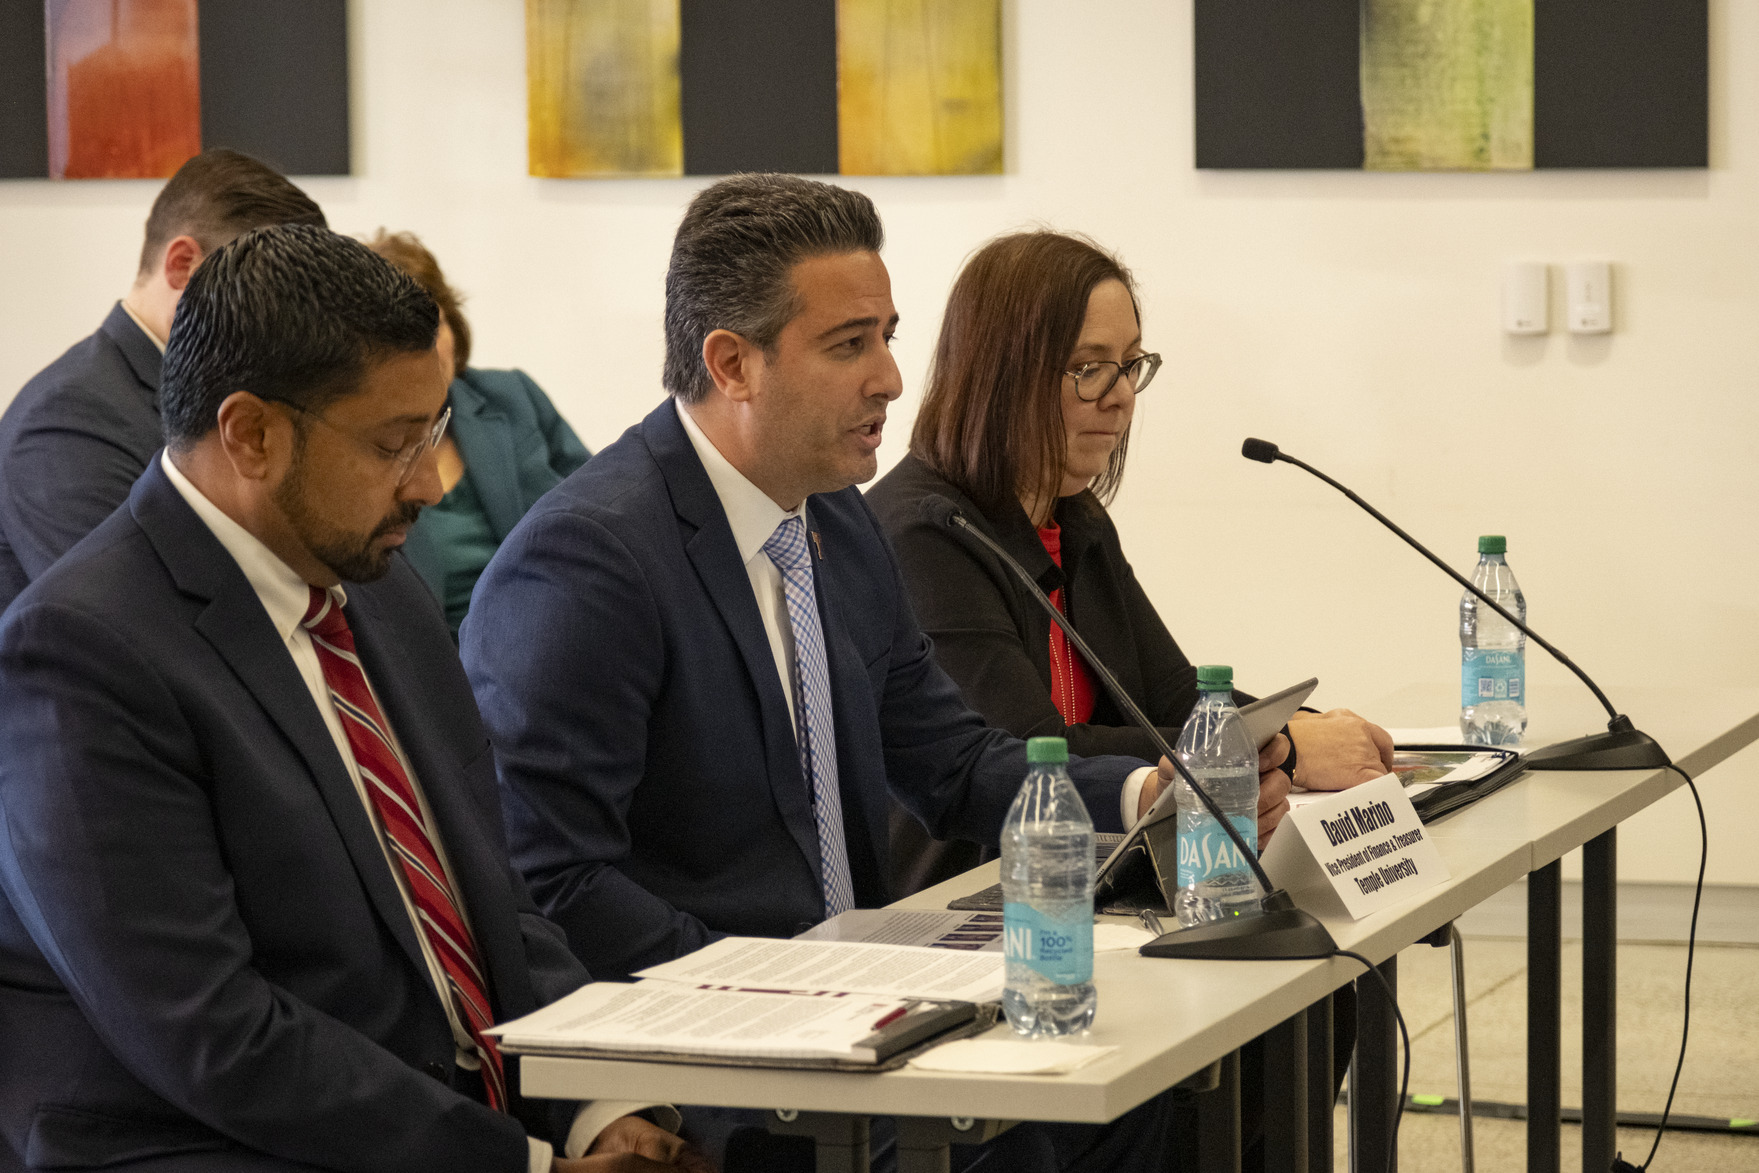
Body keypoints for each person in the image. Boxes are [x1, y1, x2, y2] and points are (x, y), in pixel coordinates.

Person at [463, 174, 1227, 1173]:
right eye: (848, 345)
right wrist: (782, 984)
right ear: (731, 363)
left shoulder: (834, 518)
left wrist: (1143, 786)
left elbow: (946, 759)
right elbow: (550, 878)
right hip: (721, 1050)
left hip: (855, 1003)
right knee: (1054, 1126)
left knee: (1140, 1079)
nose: (892, 380)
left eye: (888, 335)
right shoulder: (593, 560)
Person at [0, 225, 705, 1173]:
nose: (427, 485)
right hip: (217, 1142)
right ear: (250, 434)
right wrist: (529, 1166)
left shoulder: (374, 585)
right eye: (392, 444)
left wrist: (601, 1106)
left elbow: (486, 905)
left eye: (435, 433)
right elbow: (215, 1036)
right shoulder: (82, 652)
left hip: (435, 1116)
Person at [866, 230, 1395, 893]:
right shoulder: (925, 532)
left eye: (1130, 364)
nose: (1119, 396)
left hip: (1098, 871)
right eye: (1088, 367)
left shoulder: (1074, 517)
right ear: (1000, 374)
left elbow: (1171, 694)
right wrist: (1281, 746)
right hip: (974, 896)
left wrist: (1301, 735)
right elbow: (1030, 749)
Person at [0, 148, 327, 612]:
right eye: (267, 291)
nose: (285, 324)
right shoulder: (66, 418)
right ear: (182, 265)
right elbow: (125, 617)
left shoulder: (223, 393)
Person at [363, 230, 590, 637]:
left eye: (435, 326)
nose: (428, 351)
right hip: (432, 663)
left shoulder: (512, 396)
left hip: (555, 637)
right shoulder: (355, 444)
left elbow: (603, 514)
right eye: (403, 341)